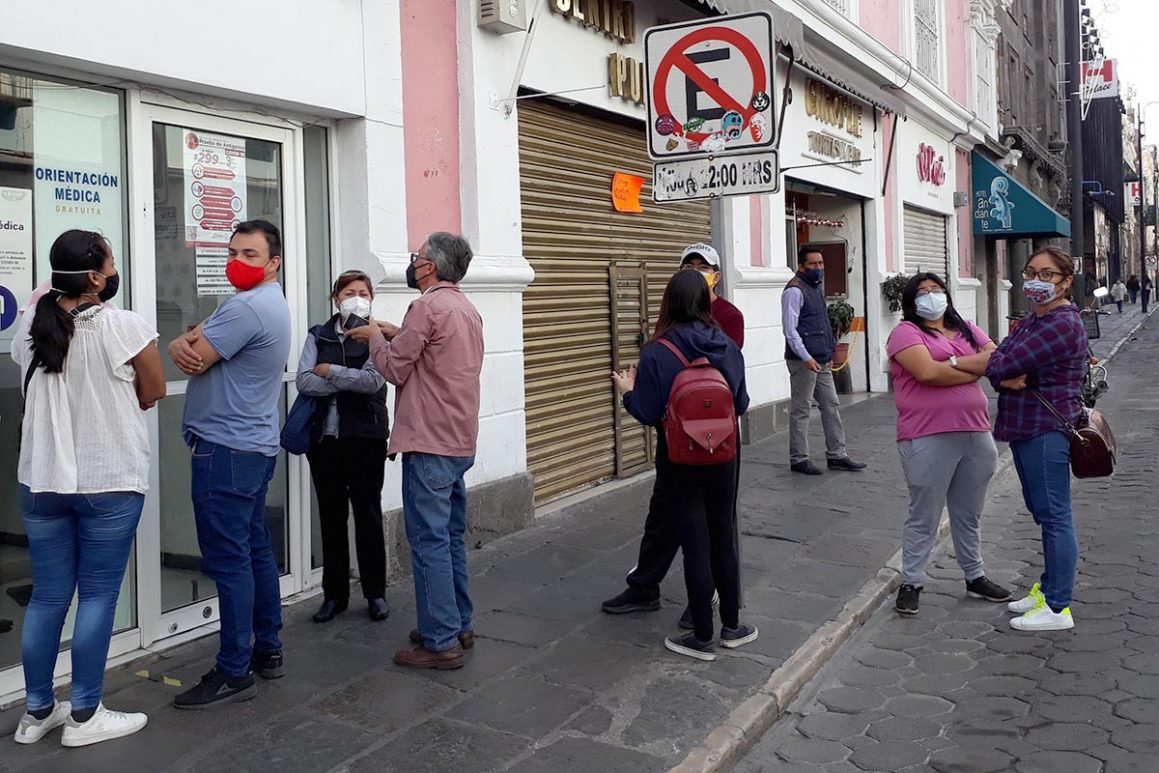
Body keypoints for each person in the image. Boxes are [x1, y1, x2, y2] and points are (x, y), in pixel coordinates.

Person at [12, 230, 165, 746]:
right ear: (97, 277)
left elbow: (36, 354)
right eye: (111, 261)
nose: (116, 268)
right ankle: (83, 716)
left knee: (48, 597)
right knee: (97, 595)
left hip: (42, 481)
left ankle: (36, 714)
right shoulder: (123, 326)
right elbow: (156, 387)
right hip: (109, 480)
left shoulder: (33, 325)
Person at [166, 220, 292, 707]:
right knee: (255, 551)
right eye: (234, 251)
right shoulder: (268, 302)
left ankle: (234, 670)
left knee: (230, 561)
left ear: (274, 262)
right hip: (252, 447)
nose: (238, 260)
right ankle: (269, 649)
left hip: (226, 451)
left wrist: (187, 341)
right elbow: (195, 347)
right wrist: (191, 339)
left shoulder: (244, 307)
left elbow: (189, 356)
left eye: (251, 254)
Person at [352, 232, 483, 670]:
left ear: (429, 267)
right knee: (448, 538)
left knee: (428, 541)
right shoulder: (465, 308)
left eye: (417, 257)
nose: (414, 263)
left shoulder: (426, 306)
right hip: (457, 437)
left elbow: (392, 367)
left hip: (428, 439)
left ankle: (441, 640)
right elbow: (433, 357)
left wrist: (374, 335)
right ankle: (454, 621)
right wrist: (395, 332)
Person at [610, 270, 754, 661]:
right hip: (725, 454)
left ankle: (702, 636)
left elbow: (649, 412)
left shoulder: (658, 350)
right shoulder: (725, 345)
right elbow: (740, 403)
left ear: (668, 301)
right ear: (706, 302)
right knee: (723, 534)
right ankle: (733, 626)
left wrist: (627, 391)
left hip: (679, 459)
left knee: (695, 543)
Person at [886, 273, 1011, 616]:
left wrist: (953, 364)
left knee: (968, 513)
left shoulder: (967, 328)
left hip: (976, 432)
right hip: (926, 434)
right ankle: (911, 581)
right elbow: (927, 373)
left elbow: (997, 359)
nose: (931, 296)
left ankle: (975, 576)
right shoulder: (905, 333)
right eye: (922, 292)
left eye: (936, 290)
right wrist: (975, 370)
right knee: (923, 514)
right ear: (911, 302)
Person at [986, 247, 1088, 632]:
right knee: (1043, 513)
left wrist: (1000, 371)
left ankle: (1059, 607)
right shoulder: (1034, 319)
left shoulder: (1061, 323)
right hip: (1026, 426)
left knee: (1055, 517)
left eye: (1047, 274)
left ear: (1065, 281)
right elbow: (1001, 360)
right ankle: (1048, 589)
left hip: (1045, 427)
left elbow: (1003, 362)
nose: (1037, 280)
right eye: (1031, 272)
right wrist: (1001, 373)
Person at [295, 270, 390, 623]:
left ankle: (375, 593)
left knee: (367, 514)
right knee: (331, 516)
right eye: (349, 291)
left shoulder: (379, 335)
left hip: (365, 437)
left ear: (371, 299)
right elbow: (304, 381)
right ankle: (334, 596)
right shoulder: (318, 334)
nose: (356, 297)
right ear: (336, 298)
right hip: (325, 439)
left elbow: (373, 380)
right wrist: (341, 379)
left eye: (363, 292)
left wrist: (329, 372)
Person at [783, 246, 865, 475]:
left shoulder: (816, 288)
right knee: (802, 409)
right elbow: (790, 330)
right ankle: (799, 458)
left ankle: (837, 454)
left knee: (831, 404)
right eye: (813, 264)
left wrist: (827, 353)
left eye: (821, 263)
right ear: (801, 266)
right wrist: (806, 357)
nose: (819, 268)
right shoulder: (794, 291)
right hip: (803, 361)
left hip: (821, 359)